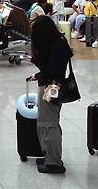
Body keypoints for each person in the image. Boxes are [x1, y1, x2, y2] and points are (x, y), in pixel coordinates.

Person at [28, 16, 72, 174]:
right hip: (51, 84)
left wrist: (35, 62)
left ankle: (54, 162)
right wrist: (38, 75)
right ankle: (49, 156)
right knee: (47, 122)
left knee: (49, 124)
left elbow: (51, 70)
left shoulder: (56, 45)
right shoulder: (58, 42)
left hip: (51, 88)